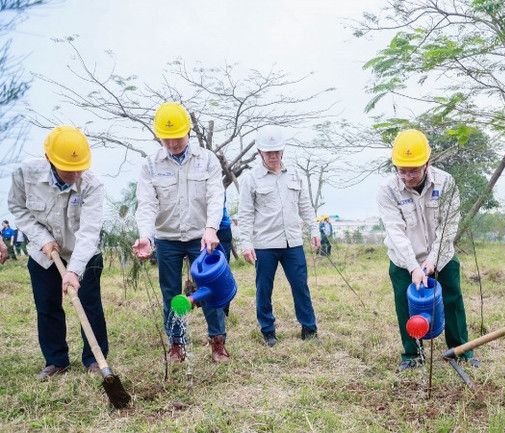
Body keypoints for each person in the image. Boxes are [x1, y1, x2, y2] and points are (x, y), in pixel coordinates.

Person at [8, 125, 110, 379]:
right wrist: (42, 238)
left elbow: (89, 232)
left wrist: (74, 271)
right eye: (68, 168)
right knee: (47, 305)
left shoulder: (92, 185)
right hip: (44, 254)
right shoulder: (25, 174)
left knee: (89, 305)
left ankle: (94, 360)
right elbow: (18, 208)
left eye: (80, 167)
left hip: (83, 253)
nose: (75, 173)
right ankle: (56, 360)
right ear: (49, 159)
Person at [132, 102, 229, 363]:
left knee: (210, 290)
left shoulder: (207, 159)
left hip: (201, 237)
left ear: (188, 131)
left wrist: (211, 228)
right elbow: (147, 203)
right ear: (159, 136)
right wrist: (146, 236)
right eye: (167, 138)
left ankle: (217, 342)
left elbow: (215, 195)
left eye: (177, 137)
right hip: (167, 239)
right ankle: (177, 344)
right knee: (171, 294)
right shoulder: (150, 165)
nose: (173, 143)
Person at [376, 129, 480, 372]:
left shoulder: (446, 182)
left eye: (413, 170)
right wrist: (414, 267)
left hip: (441, 257)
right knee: (405, 304)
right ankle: (412, 354)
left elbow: (448, 225)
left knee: (452, 301)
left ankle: (461, 351)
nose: (407, 176)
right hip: (403, 261)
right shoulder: (387, 189)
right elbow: (395, 231)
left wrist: (433, 261)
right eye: (401, 170)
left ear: (427, 164)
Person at [238, 125, 321, 347]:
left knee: (300, 286)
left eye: (277, 152)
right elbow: (245, 214)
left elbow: (305, 205)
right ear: (260, 153)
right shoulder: (251, 179)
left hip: (292, 242)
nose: (273, 156)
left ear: (282, 151)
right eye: (268, 152)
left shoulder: (294, 174)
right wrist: (245, 243)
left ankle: (309, 328)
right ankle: (268, 330)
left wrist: (314, 230)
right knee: (264, 288)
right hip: (264, 244)